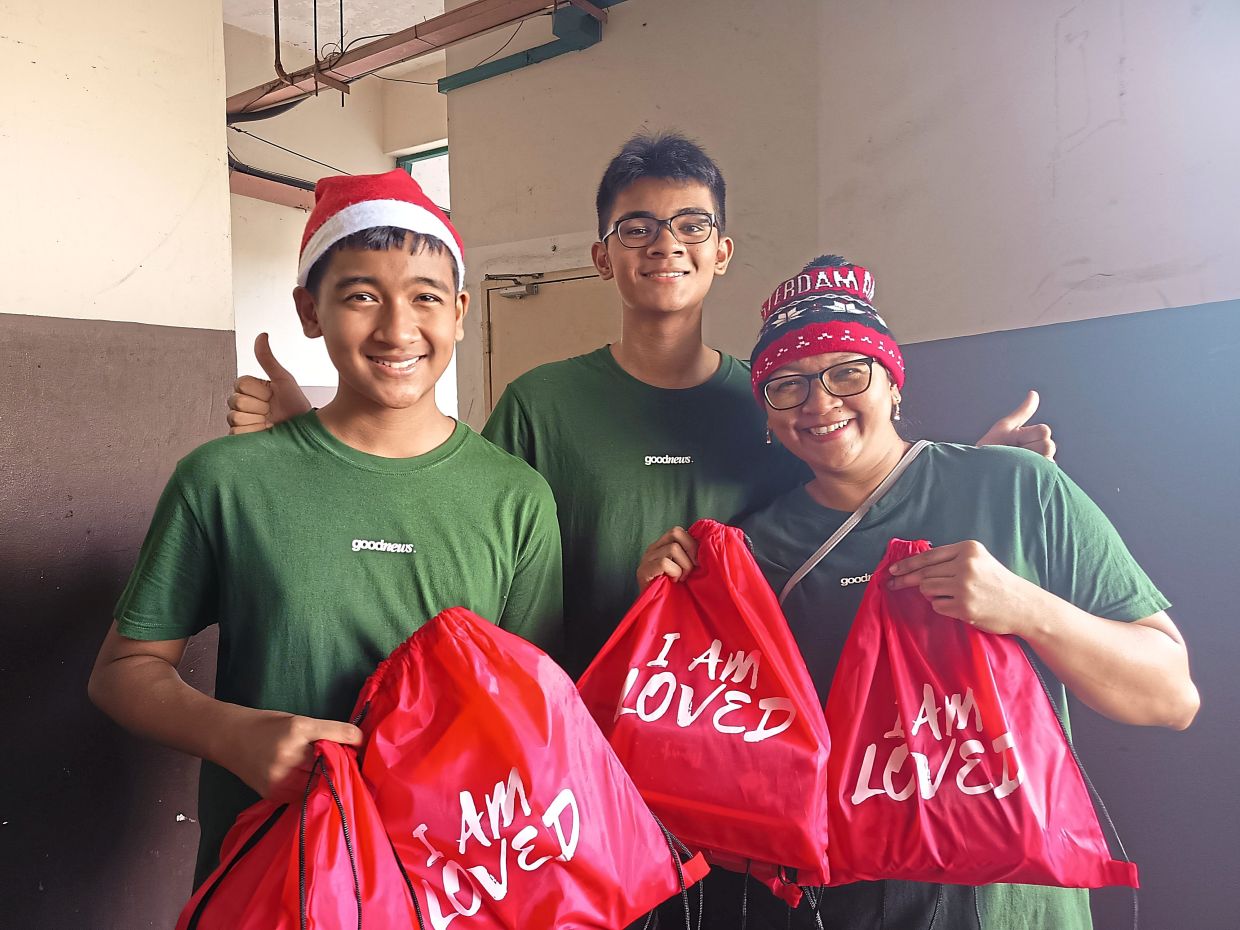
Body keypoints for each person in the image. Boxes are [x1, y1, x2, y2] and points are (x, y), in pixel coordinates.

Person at [226, 132, 1052, 679]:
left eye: (693, 225)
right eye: (637, 227)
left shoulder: (772, 400)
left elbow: (858, 490)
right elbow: (449, 511)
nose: (666, 243)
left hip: (743, 719)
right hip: (582, 727)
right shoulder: (542, 404)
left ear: (721, 252)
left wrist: (971, 466)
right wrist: (310, 433)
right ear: (600, 255)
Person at [638, 254, 1200, 929]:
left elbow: (1172, 696)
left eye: (848, 372)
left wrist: (1025, 608)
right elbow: (724, 752)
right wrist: (668, 605)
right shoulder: (756, 548)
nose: (820, 403)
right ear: (767, 413)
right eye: (787, 385)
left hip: (1017, 909)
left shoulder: (1020, 488)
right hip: (839, 907)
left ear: (893, 383)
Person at [87, 170, 563, 886]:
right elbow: (122, 673)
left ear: (461, 312)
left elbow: (533, 718)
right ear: (311, 310)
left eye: (426, 297)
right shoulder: (225, 480)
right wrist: (235, 734)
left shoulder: (516, 498)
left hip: (446, 887)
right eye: (361, 295)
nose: (397, 328)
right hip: (267, 884)